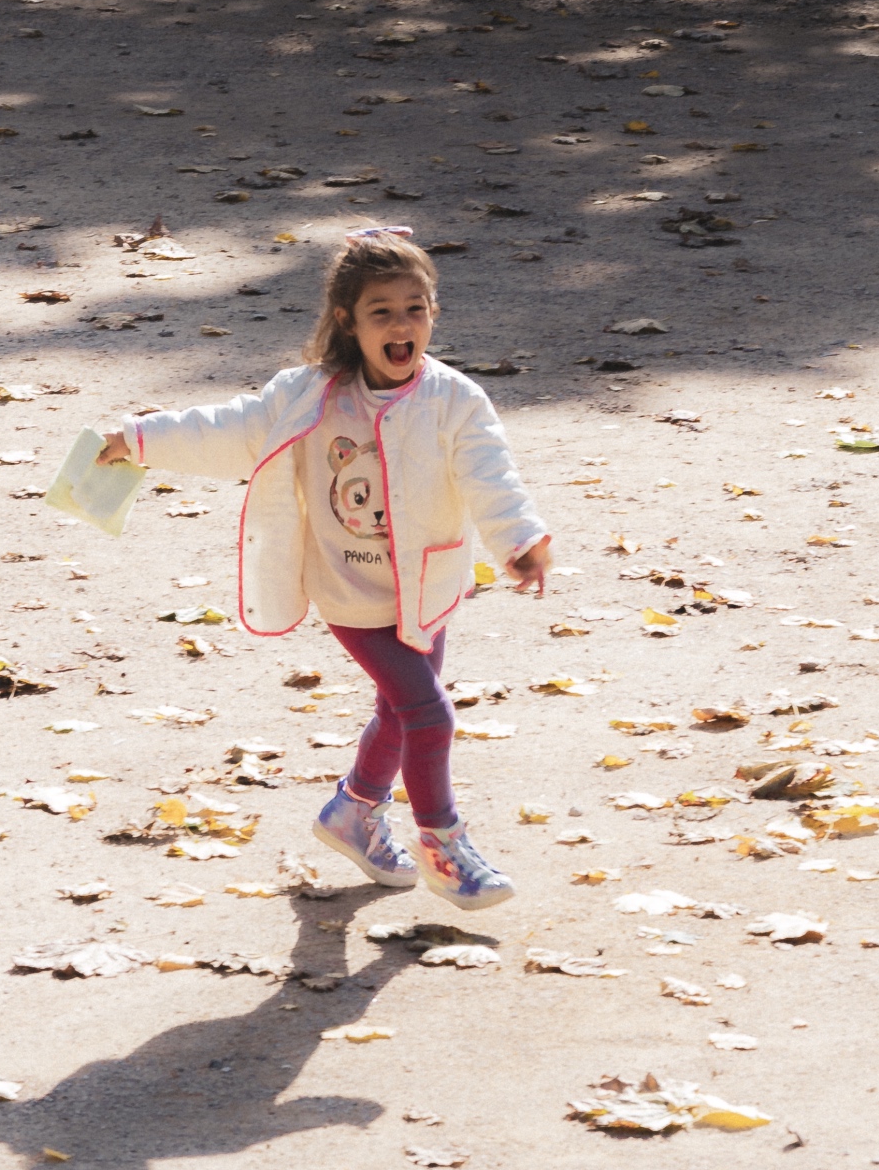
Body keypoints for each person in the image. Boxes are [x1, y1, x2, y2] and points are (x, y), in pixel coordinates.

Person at [96, 227, 551, 910]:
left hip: (426, 587)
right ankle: (444, 844)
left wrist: (518, 539)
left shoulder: (455, 400)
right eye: (383, 312)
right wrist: (138, 439)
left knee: (399, 716)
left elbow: (491, 476)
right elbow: (227, 429)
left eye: (416, 308)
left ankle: (353, 813)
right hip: (351, 592)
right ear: (349, 322)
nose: (403, 325)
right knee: (428, 716)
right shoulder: (308, 396)